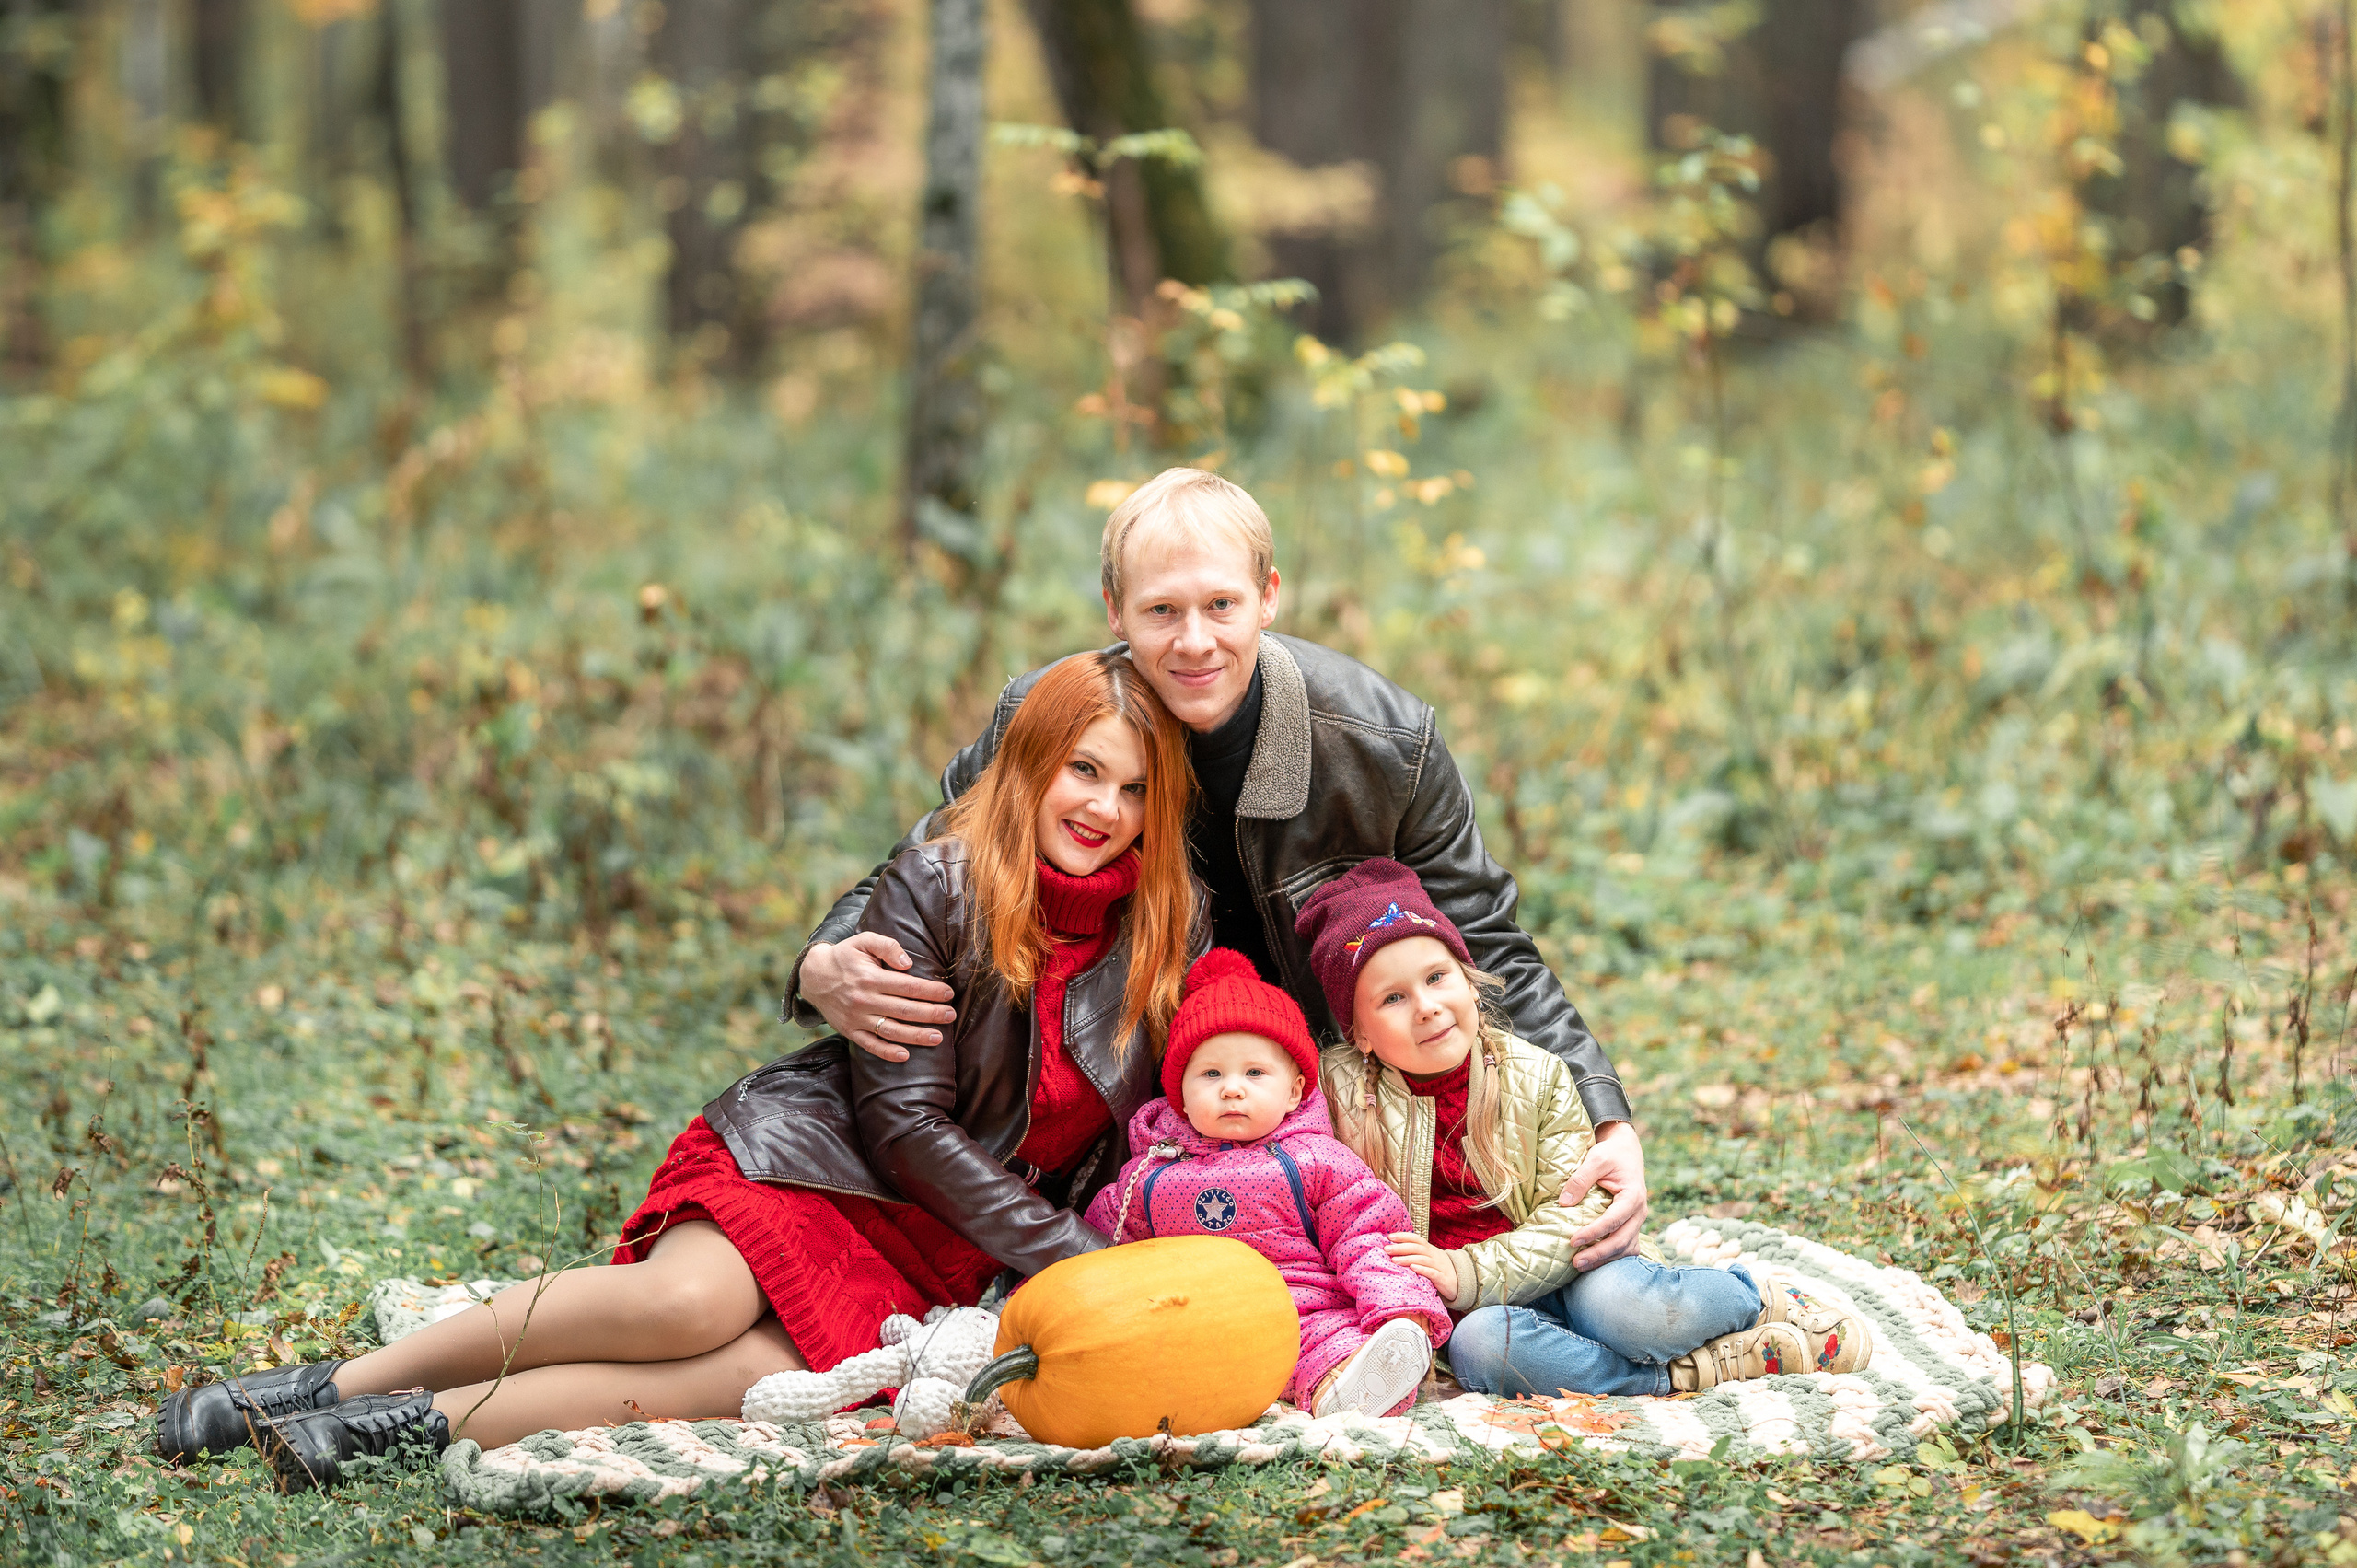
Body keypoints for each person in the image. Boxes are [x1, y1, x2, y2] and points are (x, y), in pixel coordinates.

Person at [155, 652, 1202, 1490]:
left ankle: (391, 1429)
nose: (1104, 806)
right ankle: (313, 1385)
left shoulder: (1160, 928)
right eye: (1082, 769)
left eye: (1134, 788)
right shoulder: (941, 880)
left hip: (942, 1248)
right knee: (686, 1305)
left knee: (749, 1376)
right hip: (817, 1163)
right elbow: (905, 1127)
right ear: (1026, 763)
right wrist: (1073, 1253)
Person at [792, 467, 1654, 1271]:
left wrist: (1606, 1113)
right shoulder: (1054, 715)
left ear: (1269, 598)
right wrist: (822, 959)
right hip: (1114, 1107)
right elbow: (925, 862)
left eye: (1221, 604)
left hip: (1319, 1097)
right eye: (1162, 610)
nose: (1194, 640)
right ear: (1114, 610)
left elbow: (1487, 937)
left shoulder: (1382, 744)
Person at [1297, 858, 1872, 1396]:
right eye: (1393, 997)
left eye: (1438, 977)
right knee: (1482, 1350)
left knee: (1630, 1313)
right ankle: (1685, 1374)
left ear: (1469, 980)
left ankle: (1756, 1300)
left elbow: (1577, 1212)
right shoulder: (1339, 1096)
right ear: (1359, 1033)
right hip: (1477, 1313)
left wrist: (1465, 1269)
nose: (1426, 1006)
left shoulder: (1535, 1075)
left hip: (1568, 1270)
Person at [1083, 949, 1451, 1418]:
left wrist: (1399, 1306)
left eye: (1255, 1073)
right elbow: (1095, 1256)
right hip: (1193, 1321)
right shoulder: (1148, 1178)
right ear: (1179, 1096)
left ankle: (1347, 1388)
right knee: (1145, 1351)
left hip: (1302, 1312)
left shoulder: (1317, 1161)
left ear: (1295, 1090)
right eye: (1210, 1074)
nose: (1232, 1088)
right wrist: (1040, 1304)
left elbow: (1367, 1237)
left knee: (1330, 1345)